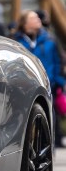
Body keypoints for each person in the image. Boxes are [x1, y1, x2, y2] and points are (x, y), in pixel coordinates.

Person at [12, 10, 65, 147]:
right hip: (24, 87)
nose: (37, 19)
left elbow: (59, 61)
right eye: (33, 18)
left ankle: (47, 151)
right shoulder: (16, 42)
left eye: (37, 17)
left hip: (49, 85)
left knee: (48, 120)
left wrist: (59, 81)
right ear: (25, 23)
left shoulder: (50, 40)